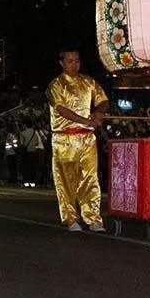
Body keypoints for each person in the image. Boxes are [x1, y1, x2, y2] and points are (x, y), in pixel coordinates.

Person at [46, 50, 109, 232]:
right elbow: (61, 109)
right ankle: (70, 218)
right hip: (64, 139)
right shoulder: (56, 85)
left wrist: (99, 112)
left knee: (90, 178)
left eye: (77, 61)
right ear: (62, 63)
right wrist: (85, 120)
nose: (74, 64)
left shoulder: (88, 82)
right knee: (66, 180)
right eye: (70, 61)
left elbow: (103, 100)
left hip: (87, 139)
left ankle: (93, 217)